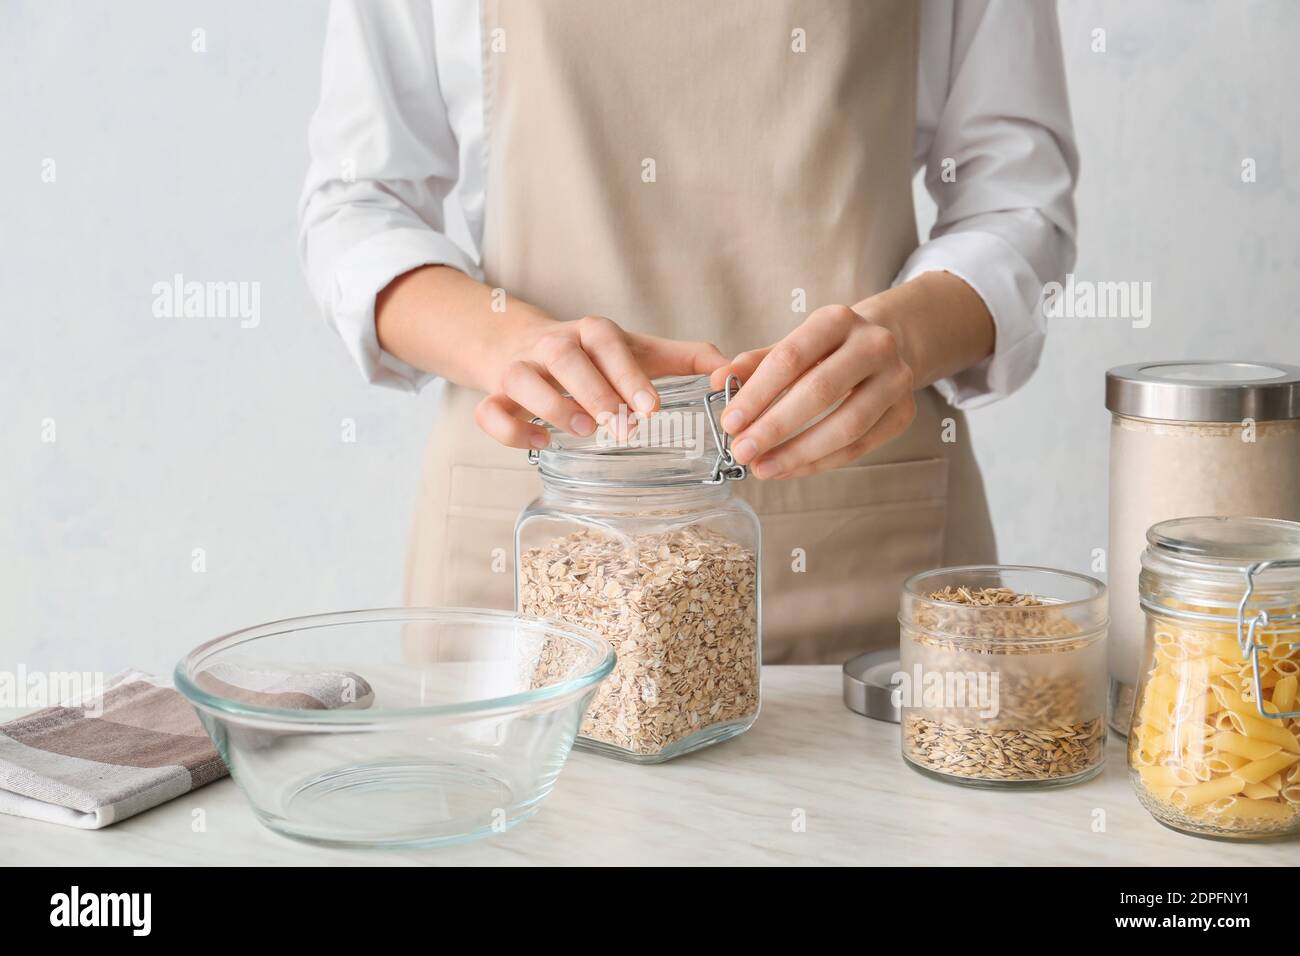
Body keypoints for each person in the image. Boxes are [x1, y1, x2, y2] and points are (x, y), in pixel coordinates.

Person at [298, 0, 1078, 663]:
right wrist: (511, 343)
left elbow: (1017, 198)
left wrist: (902, 340)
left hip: (864, 548)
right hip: (538, 546)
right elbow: (360, 205)